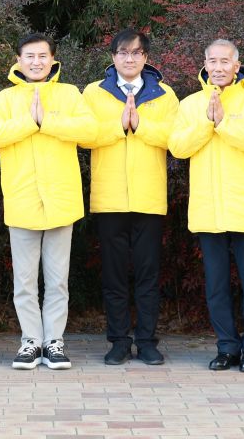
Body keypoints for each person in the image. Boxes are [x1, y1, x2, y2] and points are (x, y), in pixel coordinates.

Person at [0, 32, 97, 371]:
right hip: (22, 199)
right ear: (18, 60)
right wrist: (30, 121)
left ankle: (54, 342)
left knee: (58, 280)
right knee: (25, 282)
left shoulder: (69, 94)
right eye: (29, 56)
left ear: (53, 59)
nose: (36, 62)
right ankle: (31, 341)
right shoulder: (3, 99)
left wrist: (48, 121)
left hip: (61, 200)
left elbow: (90, 132)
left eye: (42, 56)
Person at [169, 39, 244, 373]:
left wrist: (224, 124)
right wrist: (207, 122)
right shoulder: (190, 104)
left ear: (236, 65)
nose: (218, 67)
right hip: (208, 207)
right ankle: (227, 346)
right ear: (204, 63)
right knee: (216, 286)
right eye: (212, 61)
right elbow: (178, 147)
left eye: (225, 61)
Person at [80, 29, 178, 366]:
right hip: (109, 198)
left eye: (136, 53)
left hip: (149, 197)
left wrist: (141, 126)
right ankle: (119, 341)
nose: (129, 58)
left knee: (149, 275)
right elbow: (84, 135)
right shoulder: (94, 92)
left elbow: (176, 138)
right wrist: (119, 127)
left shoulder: (164, 93)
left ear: (146, 58)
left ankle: (147, 341)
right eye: (123, 52)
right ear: (113, 57)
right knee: (114, 276)